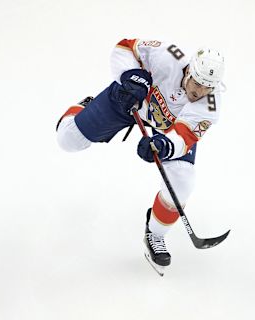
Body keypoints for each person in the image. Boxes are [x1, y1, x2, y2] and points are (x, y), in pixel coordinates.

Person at [55, 38, 225, 271]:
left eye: (207, 87)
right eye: (196, 82)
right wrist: (130, 75)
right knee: (67, 140)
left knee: (183, 181)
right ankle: (85, 107)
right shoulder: (168, 56)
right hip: (130, 100)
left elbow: (184, 136)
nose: (199, 91)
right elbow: (124, 47)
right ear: (189, 70)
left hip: (168, 128)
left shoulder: (210, 107)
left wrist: (164, 145)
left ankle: (155, 235)